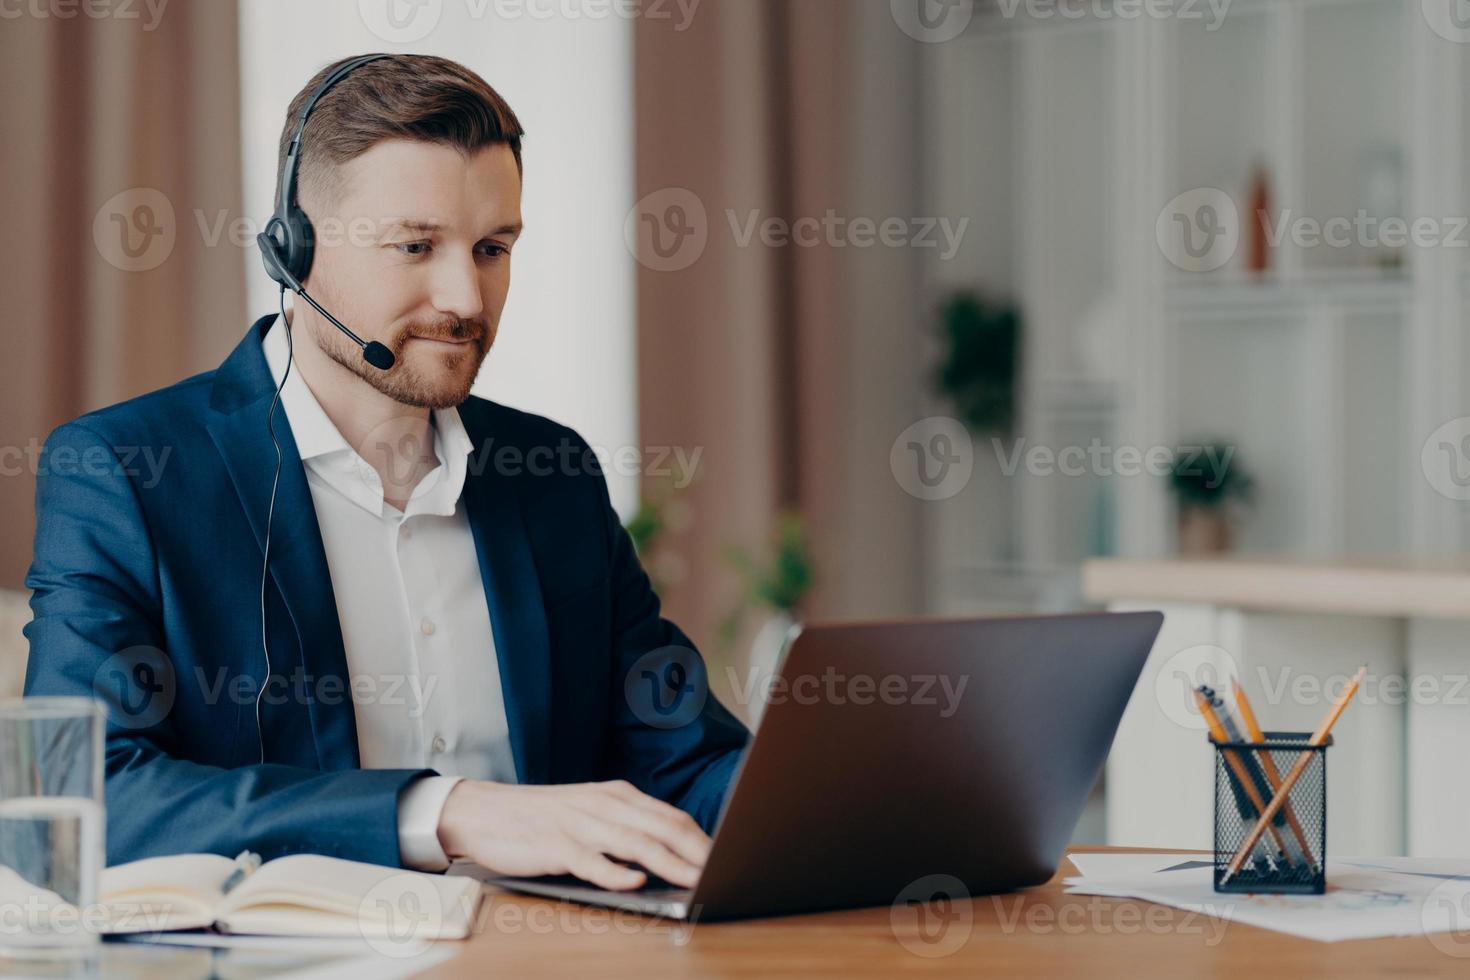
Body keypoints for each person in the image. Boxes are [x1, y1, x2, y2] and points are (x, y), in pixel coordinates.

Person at [23, 53, 748, 893]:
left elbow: (686, 759)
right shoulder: (126, 472)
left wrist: (878, 803)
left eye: (492, 248)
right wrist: (445, 812)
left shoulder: (551, 474)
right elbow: (79, 797)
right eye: (416, 245)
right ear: (293, 249)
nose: (467, 299)